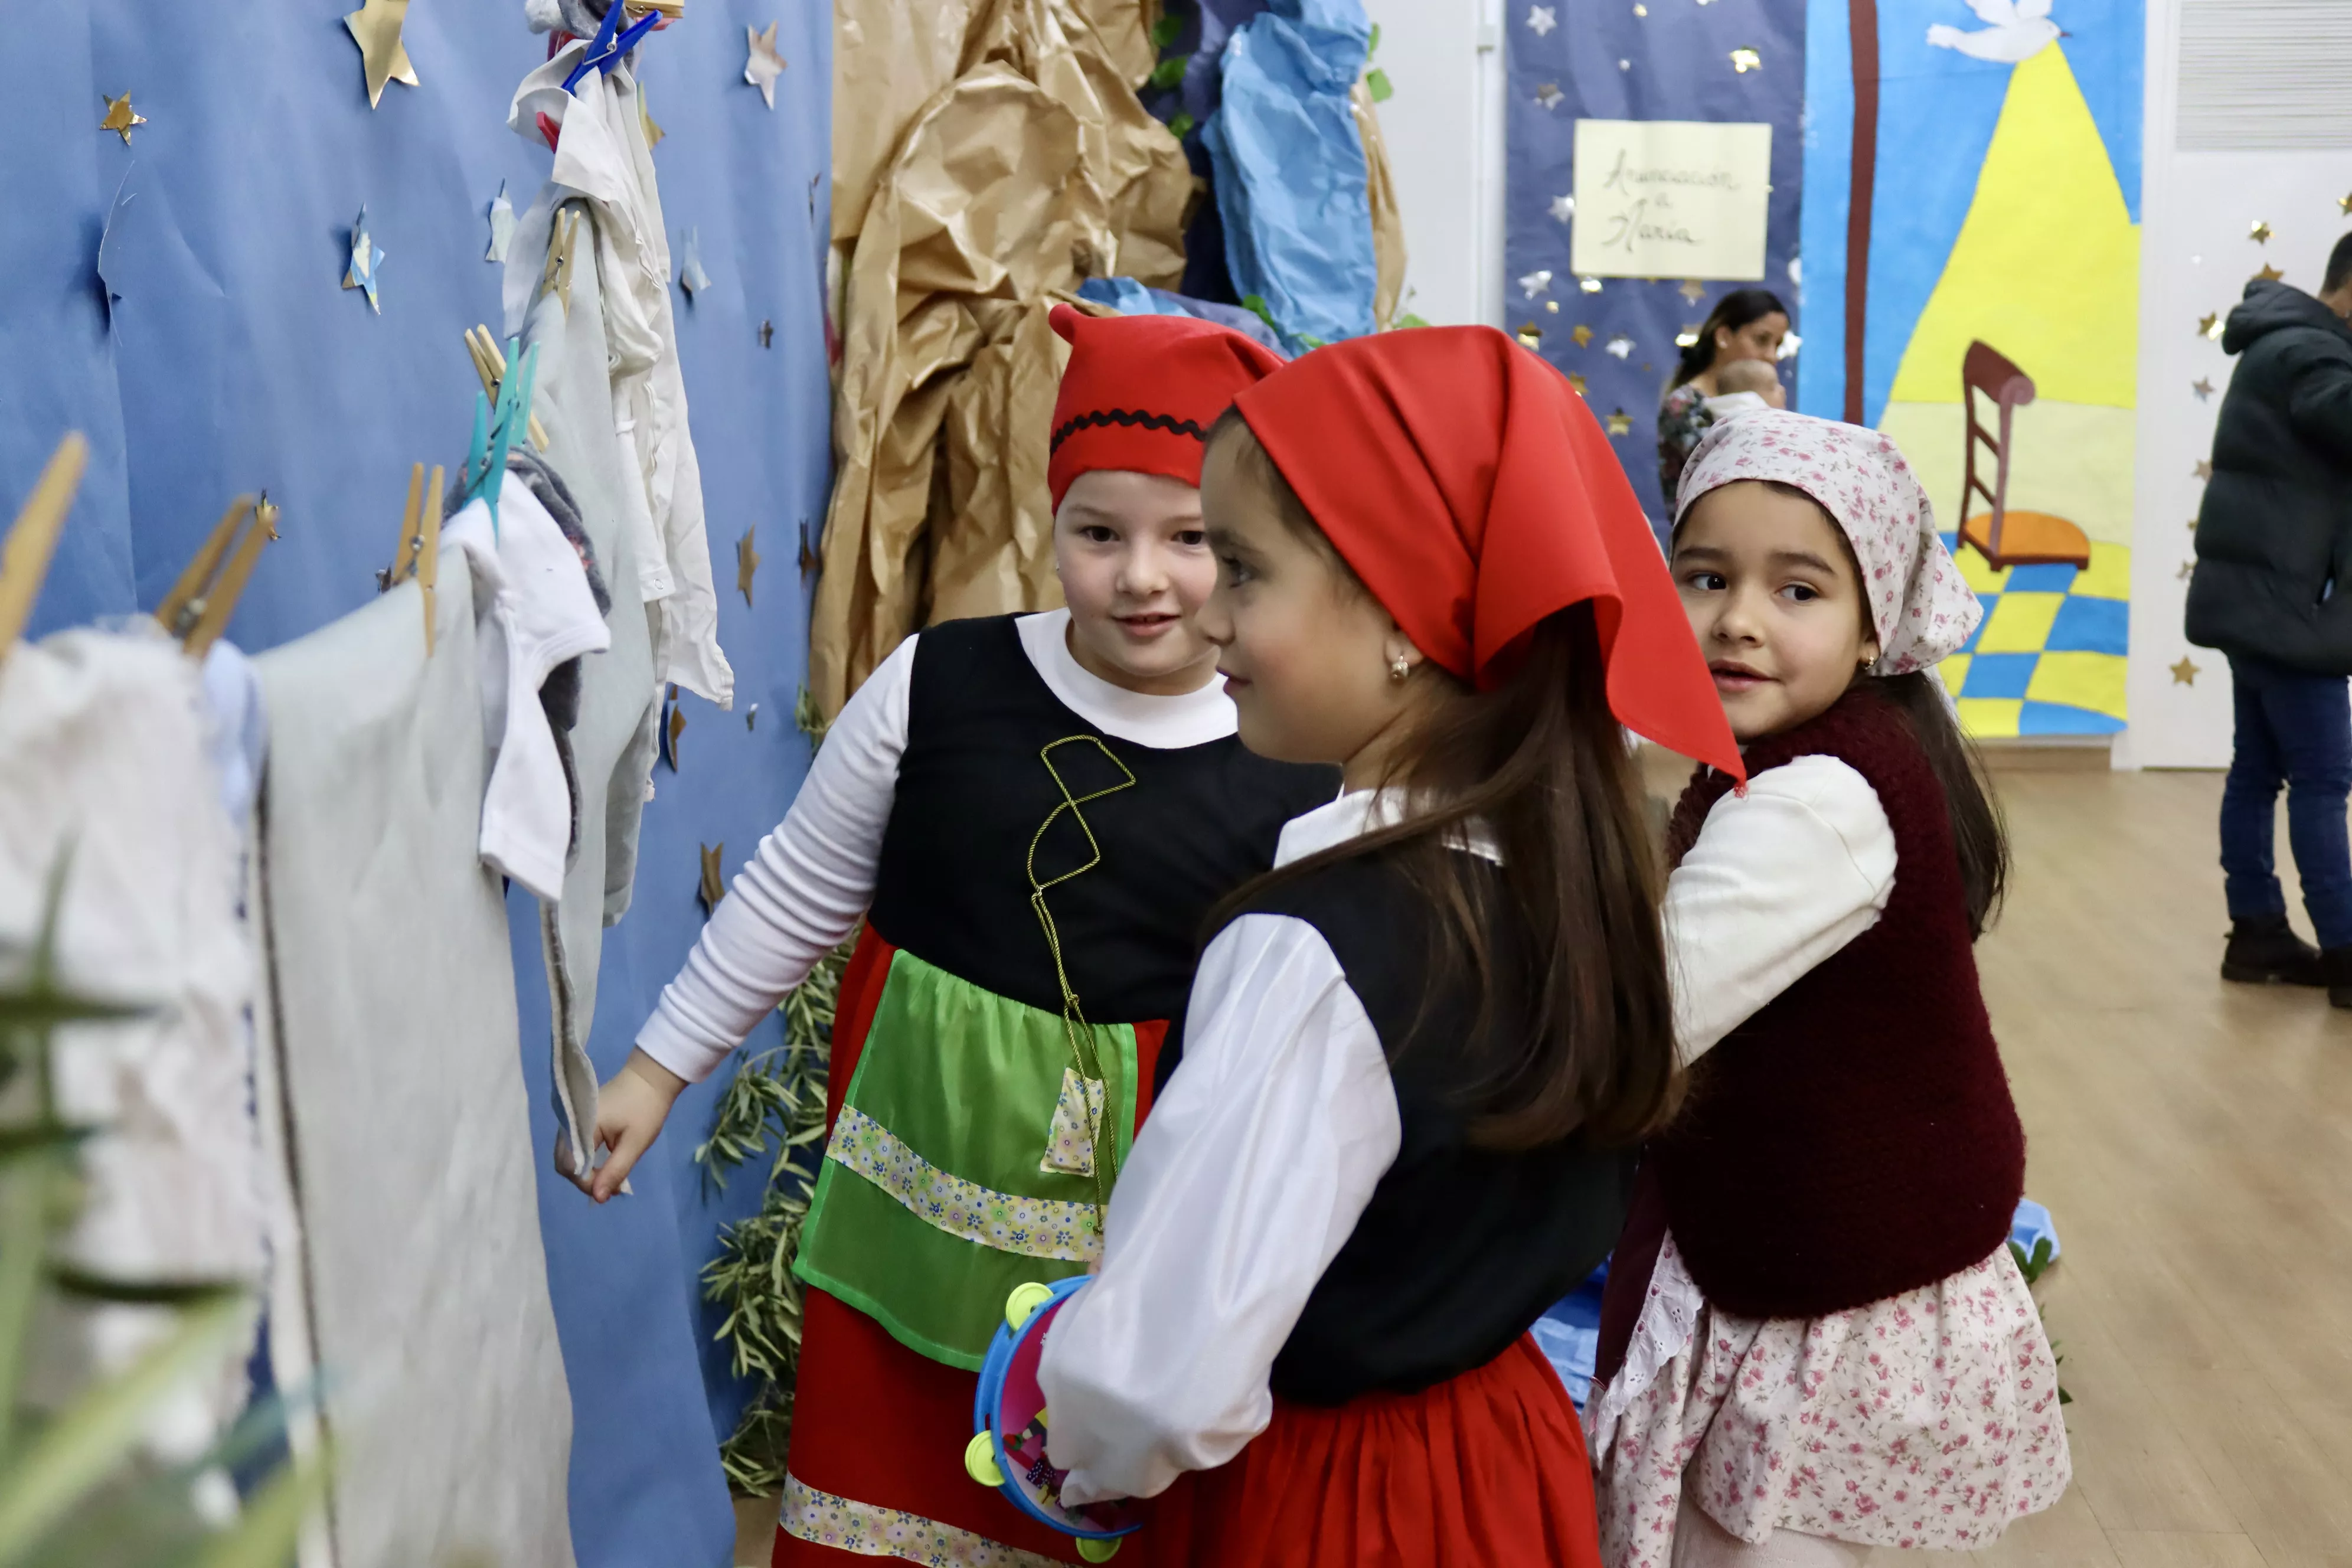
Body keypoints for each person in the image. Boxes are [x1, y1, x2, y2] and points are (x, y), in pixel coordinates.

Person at [579, 304, 1340, 1566]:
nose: (1142, 577)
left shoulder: (1295, 760)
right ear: (1051, 523)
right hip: (901, 1231)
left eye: (1193, 540)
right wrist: (660, 1065)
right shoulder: (940, 682)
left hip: (1134, 1269)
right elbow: (794, 890)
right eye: (1100, 533)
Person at [1035, 327, 1745, 1566]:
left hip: (1332, 1497)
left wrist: (1075, 1440)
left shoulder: (1315, 949)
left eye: (1244, 570)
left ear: (1404, 611)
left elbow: (1160, 1380)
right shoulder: (1567, 878)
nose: (1209, 619)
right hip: (1498, 1455)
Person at [1587, 411, 2070, 1567]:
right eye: (1705, 576)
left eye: (1798, 589)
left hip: (1843, 1306)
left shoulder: (1818, 801)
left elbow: (1634, 1025)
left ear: (1876, 627)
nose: (1739, 618)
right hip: (1849, 1259)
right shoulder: (1811, 753)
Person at [2184, 233, 2352, 1003]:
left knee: (2258, 771)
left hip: (2256, 600)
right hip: (2291, 610)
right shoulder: (2315, 356)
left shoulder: (2279, 341)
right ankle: (2346, 950)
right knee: (2322, 779)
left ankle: (2257, 931)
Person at [1655, 288, 1790, 506]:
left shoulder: (1760, 396)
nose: (1771, 356)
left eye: (1777, 345)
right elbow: (1728, 469)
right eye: (1761, 340)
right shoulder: (1684, 405)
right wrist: (1769, 416)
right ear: (1724, 337)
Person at [1701, 357, 1785, 423]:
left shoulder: (1711, 420)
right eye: (1772, 387)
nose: (1782, 390)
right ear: (1750, 397)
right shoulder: (1763, 421)